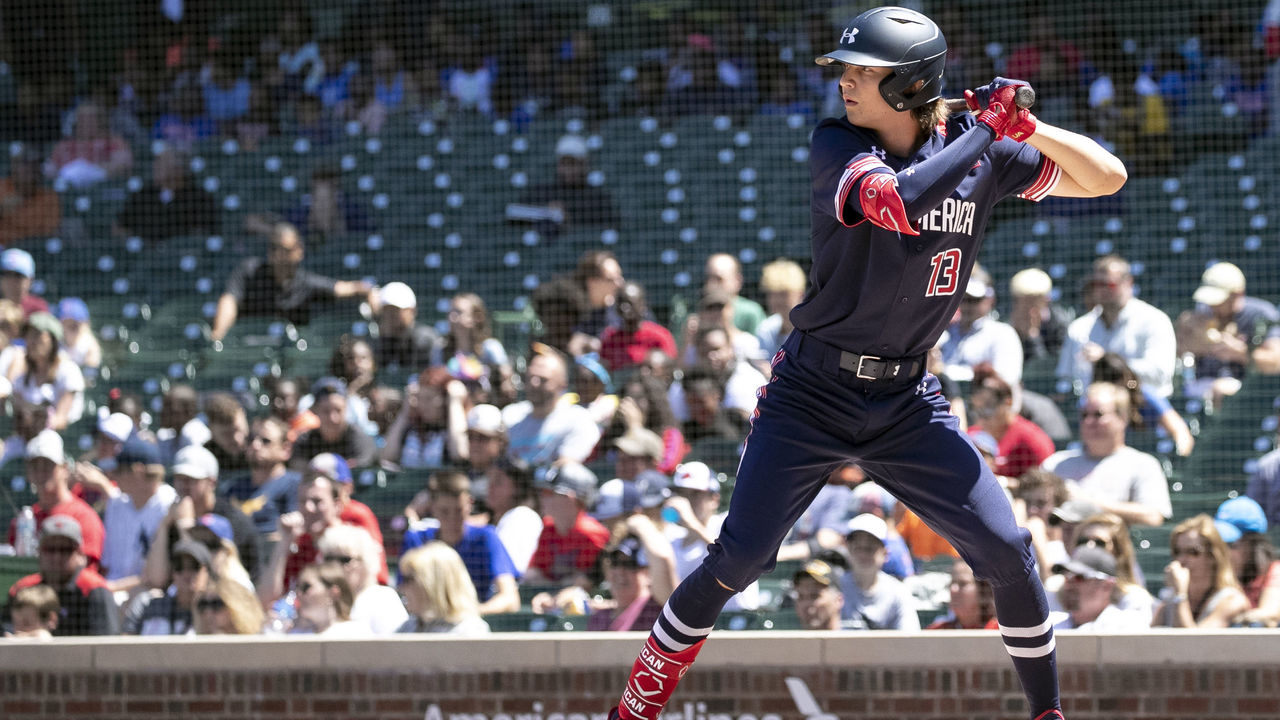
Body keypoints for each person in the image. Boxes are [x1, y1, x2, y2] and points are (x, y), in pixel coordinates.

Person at [605, 8, 1127, 720]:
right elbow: (900, 203)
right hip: (812, 393)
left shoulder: (985, 152)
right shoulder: (837, 142)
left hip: (907, 401)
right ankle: (634, 708)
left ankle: (1048, 715)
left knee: (1008, 546)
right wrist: (986, 130)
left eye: (863, 72)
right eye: (846, 70)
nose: (845, 82)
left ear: (912, 84)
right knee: (740, 557)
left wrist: (1026, 129)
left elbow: (1107, 178)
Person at [210, 223, 375, 341]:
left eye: (290, 250)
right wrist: (218, 335)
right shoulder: (249, 271)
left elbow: (345, 288)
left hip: (289, 350)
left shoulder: (306, 282)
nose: (284, 257)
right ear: (270, 252)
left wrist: (371, 291)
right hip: (250, 343)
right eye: (278, 250)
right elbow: (229, 300)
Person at [1041, 383, 1171, 527]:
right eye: (1084, 415)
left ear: (1122, 418)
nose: (1089, 422)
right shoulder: (1056, 464)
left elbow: (1153, 516)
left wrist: (1092, 504)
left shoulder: (1143, 464)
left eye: (1098, 415)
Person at [1056, 255, 1177, 398]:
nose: (1102, 290)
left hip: (1145, 409)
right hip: (1093, 412)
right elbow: (1065, 378)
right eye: (1097, 284)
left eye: (1109, 284)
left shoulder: (1154, 320)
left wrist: (1108, 361)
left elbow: (1160, 374)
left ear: (1128, 283)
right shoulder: (1079, 328)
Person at [401, 471, 521, 615]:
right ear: (432, 507)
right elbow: (404, 593)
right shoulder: (416, 540)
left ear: (469, 504)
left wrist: (467, 614)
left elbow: (510, 599)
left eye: (458, 510)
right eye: (444, 511)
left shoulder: (486, 537)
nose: (452, 519)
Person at [1175, 261, 1280, 408]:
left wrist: (1239, 352)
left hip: (1247, 394)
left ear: (1237, 294)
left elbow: (1276, 362)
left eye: (1218, 300)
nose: (1212, 306)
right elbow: (1177, 352)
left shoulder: (1261, 314)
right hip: (1201, 386)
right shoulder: (1203, 313)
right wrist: (1189, 338)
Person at [665, 462, 759, 611]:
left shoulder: (728, 522)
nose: (687, 501)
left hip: (739, 620)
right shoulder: (672, 536)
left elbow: (733, 559)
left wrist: (692, 523)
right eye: (681, 493)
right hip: (695, 623)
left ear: (714, 498)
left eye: (695, 494)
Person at [6, 430, 104, 569]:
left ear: (64, 468)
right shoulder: (26, 519)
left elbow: (88, 574)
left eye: (47, 465)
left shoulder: (82, 517)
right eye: (35, 466)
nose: (41, 472)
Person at [5, 515, 118, 636]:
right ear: (39, 551)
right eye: (50, 549)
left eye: (66, 550)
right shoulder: (23, 589)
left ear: (79, 554)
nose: (57, 557)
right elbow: (5, 633)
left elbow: (106, 645)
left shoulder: (93, 589)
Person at [98, 437, 177, 593]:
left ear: (138, 472)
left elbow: (159, 577)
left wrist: (113, 588)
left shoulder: (169, 504)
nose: (114, 476)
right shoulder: (115, 504)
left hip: (148, 592)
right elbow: (106, 566)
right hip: (111, 590)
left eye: (119, 470)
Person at [503, 348, 601, 467]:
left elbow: (568, 466)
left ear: (562, 385)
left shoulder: (578, 420)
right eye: (530, 377)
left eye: (543, 380)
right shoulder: (510, 416)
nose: (534, 384)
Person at [1153, 515, 1251, 628]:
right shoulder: (1171, 599)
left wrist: (1180, 596)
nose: (1181, 560)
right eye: (1177, 551)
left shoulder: (1232, 601)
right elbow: (1148, 642)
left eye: (1193, 552)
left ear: (1213, 557)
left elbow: (1193, 643)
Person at [1090, 352, 1195, 457]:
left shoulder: (1146, 396)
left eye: (1119, 381)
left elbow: (1180, 429)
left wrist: (1180, 453)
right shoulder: (1090, 405)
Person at [524, 462, 610, 587]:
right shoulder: (548, 528)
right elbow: (534, 573)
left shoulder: (592, 533)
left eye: (548, 492)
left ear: (570, 498)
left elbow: (584, 582)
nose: (541, 497)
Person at [219, 416, 301, 541]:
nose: (255, 445)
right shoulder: (232, 488)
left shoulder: (296, 485)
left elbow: (296, 532)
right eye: (251, 439)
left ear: (286, 449)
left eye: (265, 441)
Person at [315, 524, 406, 634]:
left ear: (365, 562)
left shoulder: (381, 598)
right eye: (329, 559)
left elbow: (395, 647)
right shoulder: (323, 600)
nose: (335, 566)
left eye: (344, 560)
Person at [967, 365, 1055, 479]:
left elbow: (1045, 485)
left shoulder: (1032, 439)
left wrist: (1003, 482)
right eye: (976, 408)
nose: (981, 415)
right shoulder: (971, 436)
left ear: (1007, 402)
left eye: (988, 406)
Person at [939, 265, 1024, 384]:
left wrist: (946, 372)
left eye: (974, 300)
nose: (968, 305)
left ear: (990, 300)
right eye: (963, 299)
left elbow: (1006, 379)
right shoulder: (944, 334)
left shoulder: (1003, 334)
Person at [515, 134, 618, 229]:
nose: (568, 170)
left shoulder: (597, 198)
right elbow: (514, 213)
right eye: (564, 164)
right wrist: (544, 213)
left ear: (585, 165)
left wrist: (569, 219)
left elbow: (610, 224)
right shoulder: (542, 192)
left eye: (573, 163)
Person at [113, 148, 217, 242]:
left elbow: (202, 232)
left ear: (179, 169)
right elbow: (121, 226)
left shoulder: (198, 197)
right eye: (156, 163)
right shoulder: (143, 194)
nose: (155, 167)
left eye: (161, 164)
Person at [838, 514, 919, 631]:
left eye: (870, 548)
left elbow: (910, 639)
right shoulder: (835, 587)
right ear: (847, 550)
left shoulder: (898, 592)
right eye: (857, 547)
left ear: (885, 553)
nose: (863, 554)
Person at [6, 311, 85, 430]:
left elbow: (61, 420)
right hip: (27, 439)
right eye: (28, 335)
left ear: (53, 340)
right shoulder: (23, 377)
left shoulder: (68, 371)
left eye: (37, 335)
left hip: (60, 440)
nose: (31, 341)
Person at [396, 542, 492, 635]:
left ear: (434, 585)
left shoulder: (471, 631)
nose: (402, 587)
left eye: (408, 579)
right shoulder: (409, 627)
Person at [1214, 497, 1280, 627]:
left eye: (1230, 544)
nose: (1222, 552)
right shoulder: (1218, 574)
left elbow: (1270, 614)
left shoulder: (1275, 571)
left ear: (1253, 544)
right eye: (1218, 544)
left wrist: (1228, 616)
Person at [121, 539, 211, 635]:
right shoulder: (146, 605)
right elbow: (126, 643)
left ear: (208, 573)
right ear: (172, 573)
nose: (186, 573)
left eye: (194, 566)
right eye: (179, 567)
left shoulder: (216, 607)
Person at [1047, 545, 1143, 631]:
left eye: (1078, 577)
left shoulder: (1126, 626)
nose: (1069, 585)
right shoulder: (1050, 624)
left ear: (1106, 586)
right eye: (1067, 577)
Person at [290, 378, 378, 469]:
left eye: (338, 410)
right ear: (314, 410)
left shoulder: (361, 440)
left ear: (346, 408)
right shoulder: (305, 442)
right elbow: (298, 470)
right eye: (326, 411)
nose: (333, 419)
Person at [587, 536, 667, 631]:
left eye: (629, 564)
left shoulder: (655, 609)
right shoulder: (600, 617)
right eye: (615, 563)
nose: (620, 571)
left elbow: (662, 558)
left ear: (647, 572)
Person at [598, 282, 677, 372]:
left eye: (629, 303)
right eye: (621, 302)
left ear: (642, 305)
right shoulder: (610, 338)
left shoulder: (660, 336)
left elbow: (670, 368)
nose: (624, 307)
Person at [372, 282, 439, 376]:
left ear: (412, 311)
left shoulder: (425, 339)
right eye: (386, 310)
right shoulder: (380, 341)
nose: (391, 315)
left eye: (396, 310)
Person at [1008, 267, 1071, 362]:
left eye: (1032, 300)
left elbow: (1050, 366)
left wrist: (1033, 336)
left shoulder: (1060, 323)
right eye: (1023, 300)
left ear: (1046, 299)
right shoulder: (1008, 327)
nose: (1028, 306)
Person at [0, 146, 60, 246]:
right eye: (26, 163)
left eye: (36, 164)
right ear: (14, 166)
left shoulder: (49, 197)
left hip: (36, 250)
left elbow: (49, 231)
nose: (32, 168)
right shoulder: (2, 187)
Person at [754, 258, 808, 359]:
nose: (776, 300)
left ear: (801, 294)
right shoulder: (766, 329)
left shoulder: (812, 329)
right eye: (772, 293)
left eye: (783, 294)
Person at [702, 253, 766, 336]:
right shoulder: (699, 309)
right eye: (708, 278)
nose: (711, 285)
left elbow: (761, 346)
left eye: (719, 279)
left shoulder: (750, 312)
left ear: (737, 281)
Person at [926, 558, 996, 630]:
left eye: (963, 583)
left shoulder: (1000, 631)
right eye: (952, 582)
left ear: (983, 590)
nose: (953, 589)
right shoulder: (938, 631)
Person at [791, 557, 859, 630]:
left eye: (815, 596)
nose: (806, 604)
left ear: (839, 600)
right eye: (801, 597)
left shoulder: (860, 640)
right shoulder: (785, 640)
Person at [193, 574, 264, 635]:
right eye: (203, 604)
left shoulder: (262, 641)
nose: (207, 612)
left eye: (217, 604)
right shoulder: (193, 643)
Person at [0, 247, 49, 317]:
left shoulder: (37, 310)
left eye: (18, 275)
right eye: (5, 274)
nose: (11, 281)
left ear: (30, 280)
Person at [56, 297, 101, 371]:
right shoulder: (55, 344)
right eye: (68, 324)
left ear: (86, 324)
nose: (73, 328)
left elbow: (91, 371)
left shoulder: (89, 344)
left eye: (76, 324)